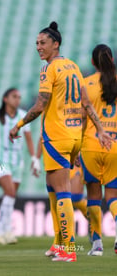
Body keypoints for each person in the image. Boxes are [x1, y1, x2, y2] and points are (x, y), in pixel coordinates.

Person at [9, 22, 113, 262]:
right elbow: (86, 104)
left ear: (55, 44)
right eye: (36, 43)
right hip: (74, 136)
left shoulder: (50, 68)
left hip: (57, 136)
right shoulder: (74, 67)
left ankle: (69, 248)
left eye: (42, 42)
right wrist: (99, 130)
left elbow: (40, 105)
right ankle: (58, 243)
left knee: (63, 192)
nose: (38, 47)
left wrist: (19, 125)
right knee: (53, 189)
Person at [0, 87, 36, 245]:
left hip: (17, 161)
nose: (17, 99)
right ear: (5, 99)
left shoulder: (22, 116)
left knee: (10, 197)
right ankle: (0, 232)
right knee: (10, 192)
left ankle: (6, 231)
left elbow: (28, 139)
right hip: (0, 160)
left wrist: (34, 159)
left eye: (19, 97)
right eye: (14, 96)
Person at [80, 44, 117, 256]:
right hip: (114, 145)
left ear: (93, 62)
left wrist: (76, 150)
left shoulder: (86, 84)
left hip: (91, 145)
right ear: (111, 60)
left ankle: (97, 245)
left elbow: (83, 119)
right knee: (113, 195)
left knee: (93, 195)